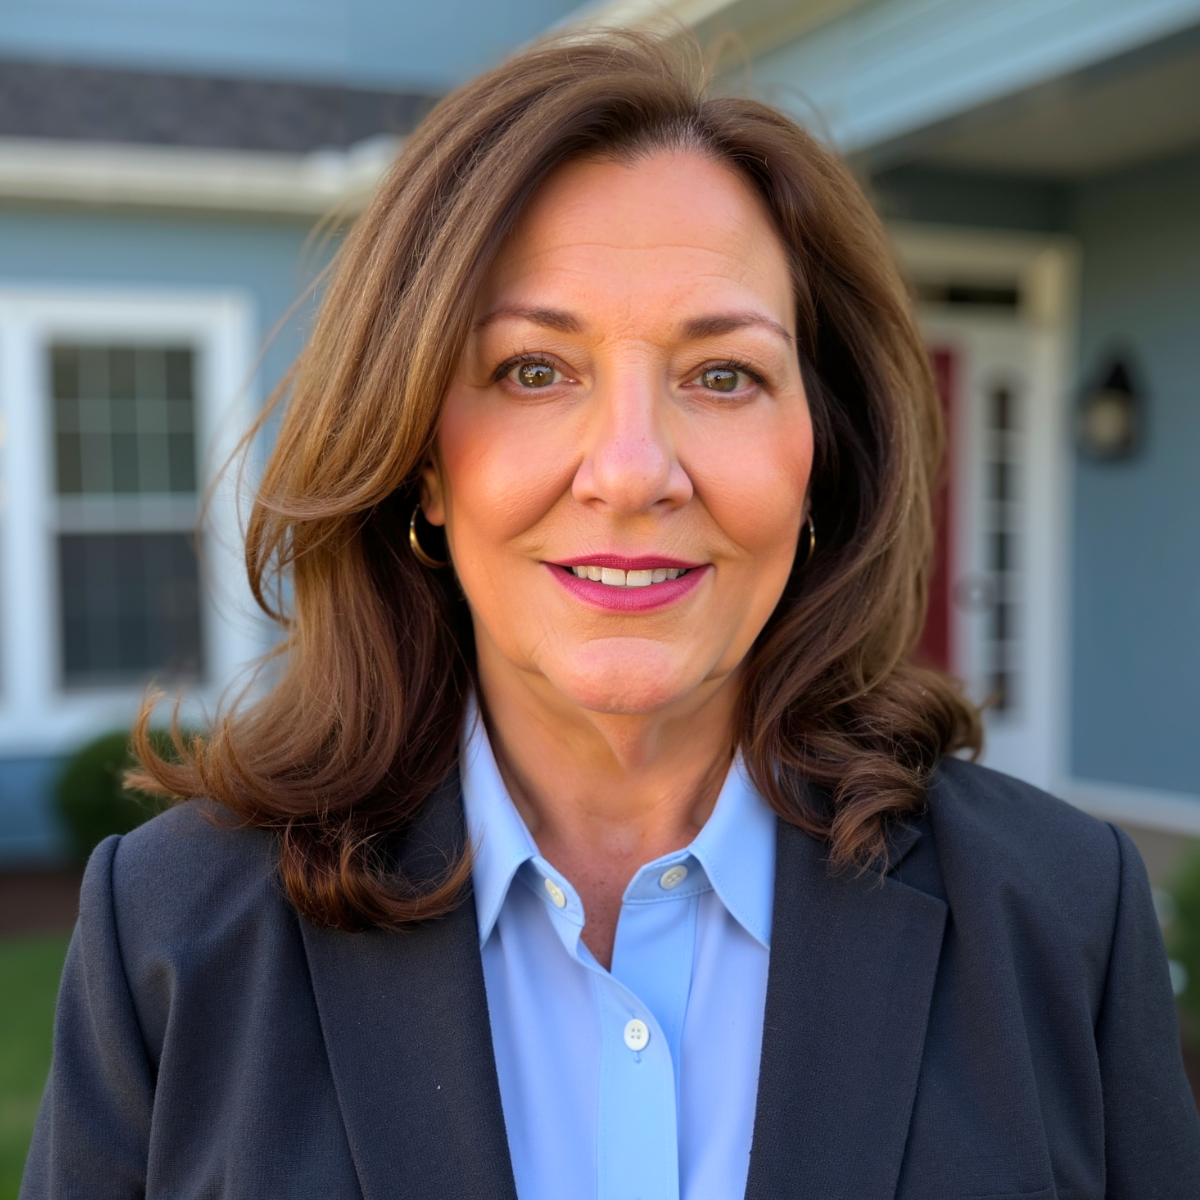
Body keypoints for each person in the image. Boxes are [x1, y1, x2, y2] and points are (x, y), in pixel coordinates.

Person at [22, 30, 1200, 1200]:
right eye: (535, 370)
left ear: (820, 462)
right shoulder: (172, 935)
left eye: (723, 374)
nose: (633, 472)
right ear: (423, 462)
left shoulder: (1058, 915)